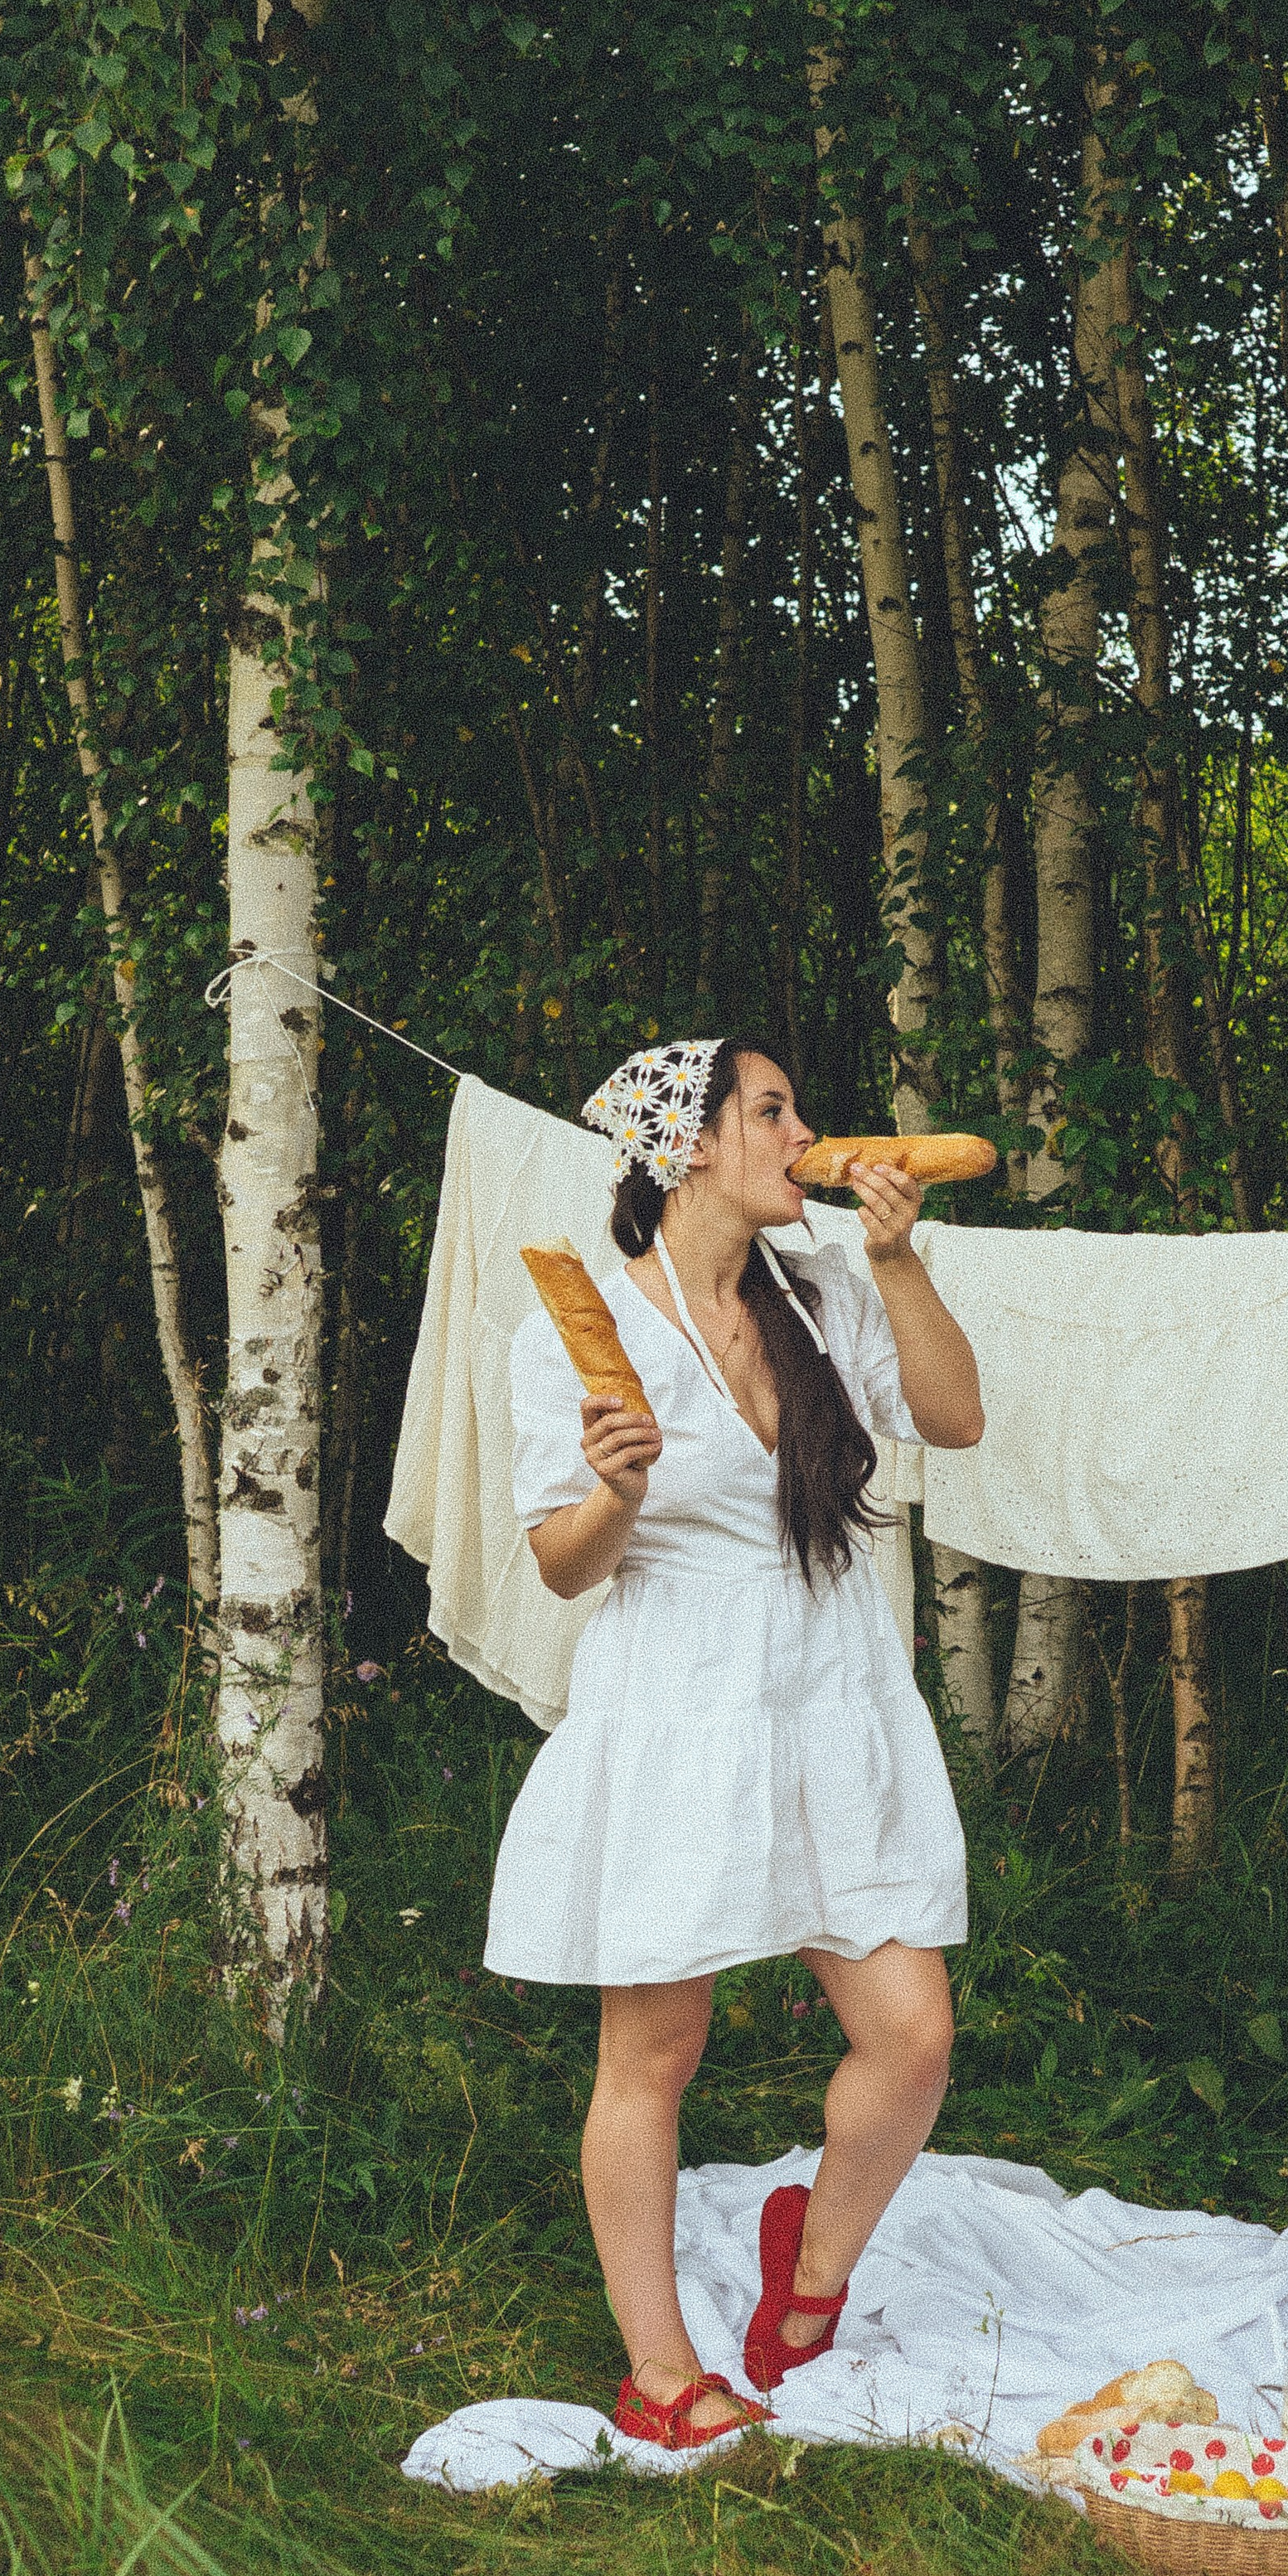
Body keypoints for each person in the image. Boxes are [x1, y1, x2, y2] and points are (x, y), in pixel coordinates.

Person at [485, 1037, 985, 2448]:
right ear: (689, 1146)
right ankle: (659, 2374)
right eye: (773, 1111)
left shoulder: (823, 1286)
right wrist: (617, 1491)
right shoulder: (579, 1326)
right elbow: (564, 1568)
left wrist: (900, 1260)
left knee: (914, 2034)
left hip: (832, 1687)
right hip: (679, 1704)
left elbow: (957, 1416)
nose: (805, 1132)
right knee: (654, 2050)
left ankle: (808, 2275)